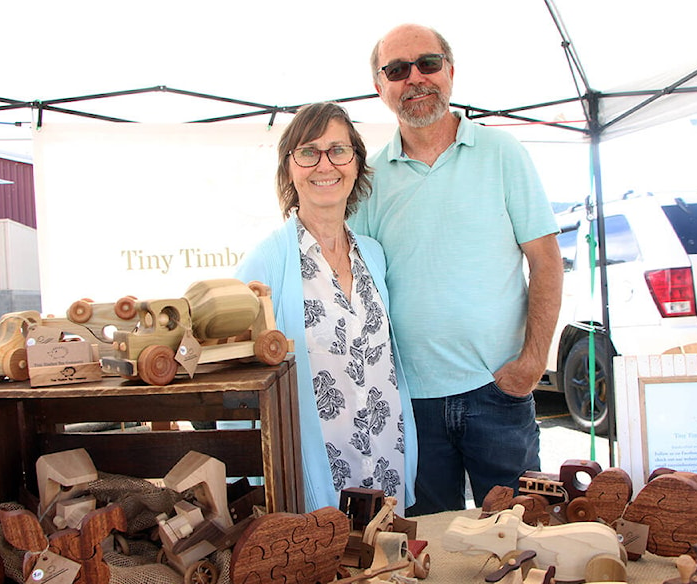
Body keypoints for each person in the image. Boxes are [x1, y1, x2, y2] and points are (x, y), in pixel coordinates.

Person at [349, 24, 564, 516]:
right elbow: (354, 286)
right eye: (397, 70)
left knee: (519, 542)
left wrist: (532, 363)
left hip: (499, 392)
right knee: (430, 555)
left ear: (450, 70)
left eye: (427, 63)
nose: (415, 79)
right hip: (410, 403)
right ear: (379, 88)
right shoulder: (369, 181)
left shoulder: (503, 154)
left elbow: (547, 262)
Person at [236, 102, 417, 515]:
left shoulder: (373, 255)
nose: (325, 164)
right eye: (308, 152)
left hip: (386, 462)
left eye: (338, 150)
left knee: (386, 574)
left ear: (355, 164)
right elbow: (235, 383)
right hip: (316, 481)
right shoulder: (264, 264)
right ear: (289, 169)